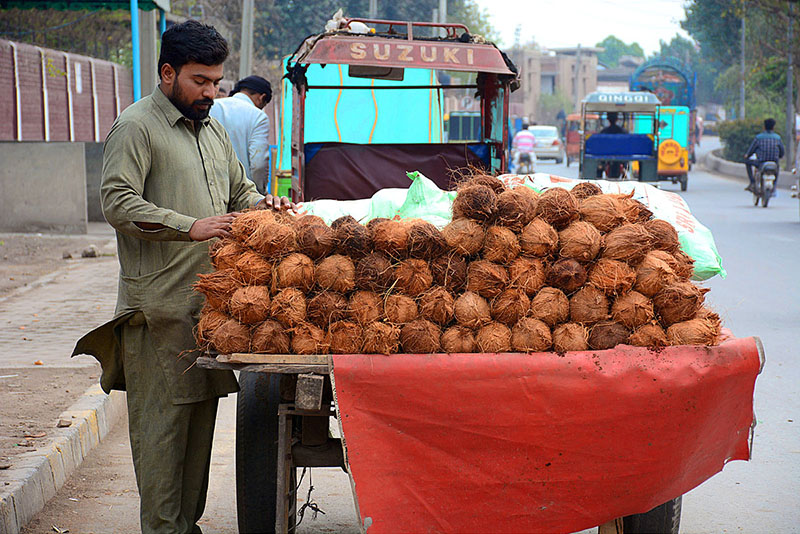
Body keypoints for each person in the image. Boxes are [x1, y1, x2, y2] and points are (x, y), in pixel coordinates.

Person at [72, 20, 293, 534]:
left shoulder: (212, 128)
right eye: (199, 81)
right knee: (162, 454)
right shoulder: (136, 126)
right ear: (167, 72)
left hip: (206, 317)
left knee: (195, 453)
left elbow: (239, 193)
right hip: (156, 318)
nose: (211, 93)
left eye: (216, 82)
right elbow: (118, 202)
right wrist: (189, 227)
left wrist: (268, 206)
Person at [210, 75, 272, 193]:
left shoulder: (212, 107)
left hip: (210, 188)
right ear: (262, 98)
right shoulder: (258, 117)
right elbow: (258, 164)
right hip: (241, 194)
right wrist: (259, 192)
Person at [744, 118, 785, 192]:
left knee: (747, 162)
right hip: (774, 162)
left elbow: (751, 150)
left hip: (761, 162)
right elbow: (782, 151)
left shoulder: (758, 137)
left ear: (764, 127)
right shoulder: (777, 138)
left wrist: (747, 155)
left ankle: (752, 182)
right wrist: (780, 156)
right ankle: (774, 185)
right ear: (773, 127)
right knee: (777, 170)